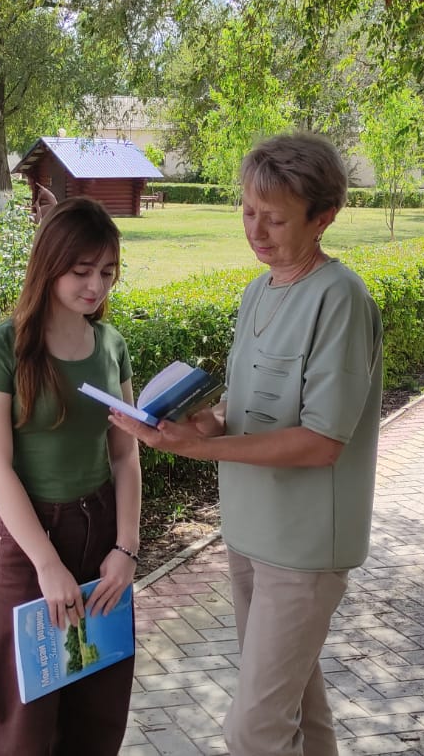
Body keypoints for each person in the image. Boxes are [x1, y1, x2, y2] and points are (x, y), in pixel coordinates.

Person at [110, 132, 383, 756]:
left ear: (324, 218)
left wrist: (199, 450)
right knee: (298, 713)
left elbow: (321, 441)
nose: (256, 231)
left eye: (276, 218)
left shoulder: (339, 297)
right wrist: (206, 422)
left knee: (255, 730)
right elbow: (249, 398)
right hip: (250, 531)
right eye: (247, 212)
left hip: (305, 545)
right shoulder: (258, 291)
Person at [0, 196, 142, 755]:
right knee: (24, 721)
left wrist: (126, 549)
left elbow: (125, 455)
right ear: (50, 266)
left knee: (98, 710)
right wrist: (46, 563)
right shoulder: (3, 347)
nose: (96, 286)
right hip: (27, 543)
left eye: (107, 272)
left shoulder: (111, 346)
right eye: (81, 271)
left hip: (101, 533)